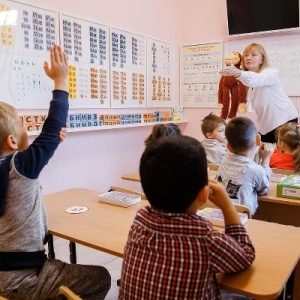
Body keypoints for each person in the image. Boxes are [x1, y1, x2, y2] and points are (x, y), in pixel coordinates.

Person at [0, 45, 111, 300]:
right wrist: (61, 80)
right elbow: (51, 129)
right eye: (22, 125)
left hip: (4, 277)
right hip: (25, 279)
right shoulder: (19, 167)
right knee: (100, 277)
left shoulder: (14, 168)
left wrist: (49, 145)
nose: (29, 129)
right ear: (12, 142)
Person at [119, 135, 255, 299]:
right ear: (204, 194)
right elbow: (245, 256)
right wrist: (227, 205)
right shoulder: (206, 239)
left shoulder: (140, 220)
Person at [220, 43, 298, 143]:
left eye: (253, 55)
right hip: (267, 126)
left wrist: (238, 73)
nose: (248, 58)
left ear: (262, 60)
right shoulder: (248, 81)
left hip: (284, 122)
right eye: (246, 55)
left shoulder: (271, 72)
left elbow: (258, 79)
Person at [216, 117, 275, 215]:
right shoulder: (256, 170)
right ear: (258, 139)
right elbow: (263, 190)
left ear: (228, 147)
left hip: (220, 213)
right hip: (243, 218)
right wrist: (265, 160)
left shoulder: (224, 162)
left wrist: (256, 159)